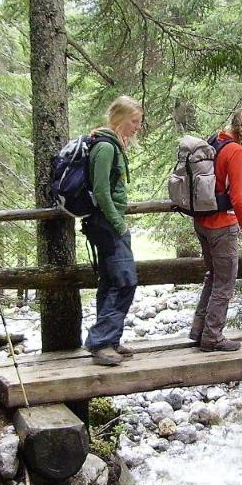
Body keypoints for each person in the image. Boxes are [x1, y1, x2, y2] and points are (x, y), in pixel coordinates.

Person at [189, 104, 242, 352]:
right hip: (222, 225)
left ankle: (199, 330)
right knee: (225, 282)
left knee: (213, 276)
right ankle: (212, 337)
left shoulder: (216, 139)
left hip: (202, 220)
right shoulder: (235, 151)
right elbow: (238, 198)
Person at [84, 96, 143, 367]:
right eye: (134, 121)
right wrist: (120, 225)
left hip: (109, 224)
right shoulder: (106, 148)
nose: (137, 127)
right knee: (125, 281)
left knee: (110, 281)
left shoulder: (112, 145)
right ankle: (100, 342)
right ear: (119, 119)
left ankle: (110, 340)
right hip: (108, 225)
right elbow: (101, 192)